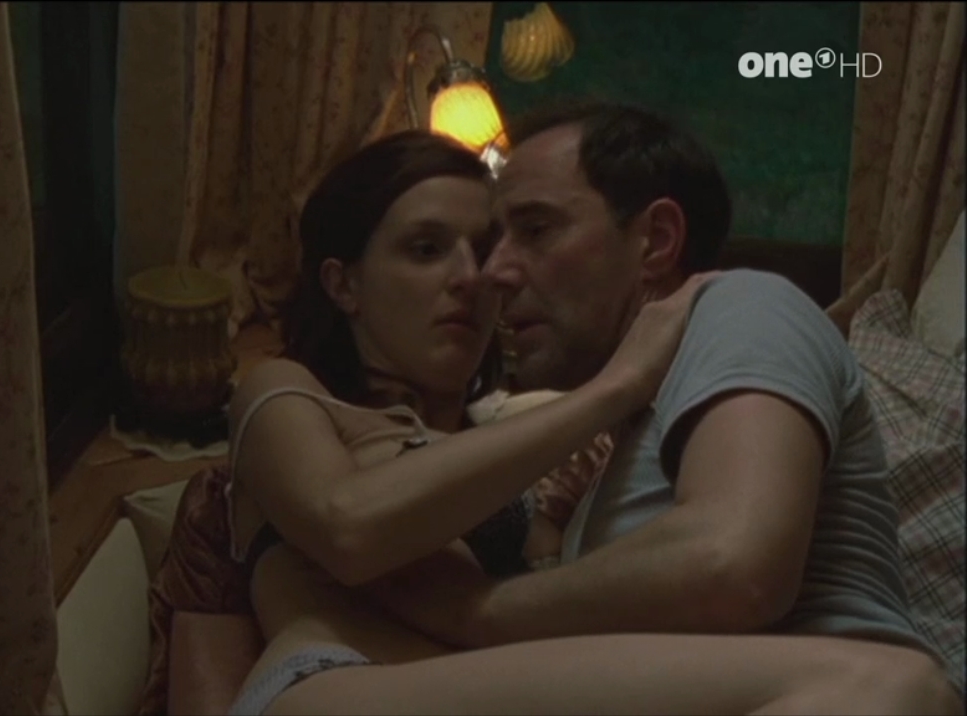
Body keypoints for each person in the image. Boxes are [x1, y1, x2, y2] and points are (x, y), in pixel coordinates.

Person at [226, 108, 962, 715]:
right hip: (348, 680)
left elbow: (729, 563)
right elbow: (346, 526)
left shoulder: (735, 307)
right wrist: (613, 388)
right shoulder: (289, 392)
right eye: (425, 249)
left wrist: (486, 605)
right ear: (343, 285)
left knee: (893, 689)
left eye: (532, 230)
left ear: (657, 240)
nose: (485, 276)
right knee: (892, 688)